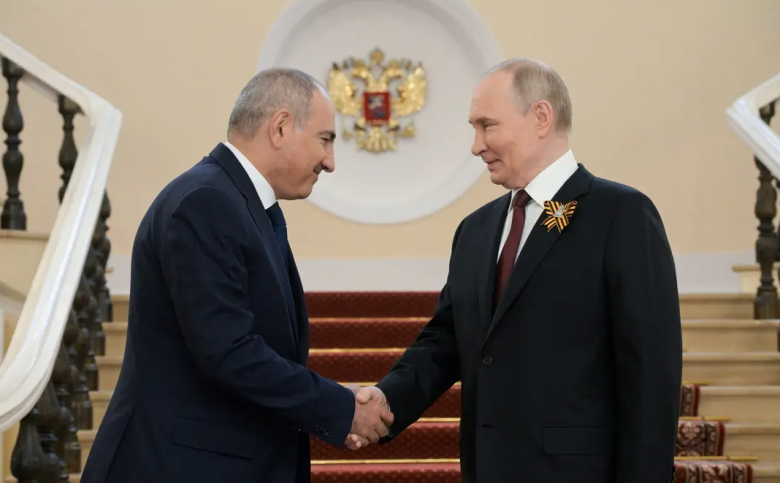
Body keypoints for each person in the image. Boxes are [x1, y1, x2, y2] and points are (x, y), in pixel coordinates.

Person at [350, 58, 682, 482]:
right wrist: (385, 400)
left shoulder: (620, 215)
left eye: (487, 126)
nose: (476, 146)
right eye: (474, 128)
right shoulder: (475, 230)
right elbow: (445, 341)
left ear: (541, 117)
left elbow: (651, 376)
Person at [81, 67, 393, 483]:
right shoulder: (206, 202)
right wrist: (340, 407)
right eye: (325, 139)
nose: (330, 161)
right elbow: (229, 352)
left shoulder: (239, 203)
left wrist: (337, 401)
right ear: (280, 127)